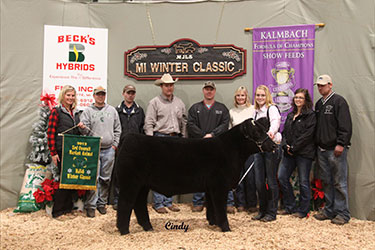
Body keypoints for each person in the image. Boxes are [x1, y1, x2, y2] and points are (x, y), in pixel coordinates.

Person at [187, 81, 235, 214]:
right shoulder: (195, 108)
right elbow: (190, 125)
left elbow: (225, 124)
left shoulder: (222, 108)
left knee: (222, 174)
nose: (209, 91)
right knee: (198, 174)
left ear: (214, 91)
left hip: (217, 147)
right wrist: (203, 135)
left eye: (211, 89)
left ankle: (228, 202)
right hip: (199, 146)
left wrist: (212, 135)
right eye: (207, 89)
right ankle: (198, 202)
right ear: (203, 90)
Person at [144, 73, 186, 214]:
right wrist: (151, 142)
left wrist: (184, 138)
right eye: (166, 85)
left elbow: (184, 122)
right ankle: (158, 202)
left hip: (176, 139)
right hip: (160, 138)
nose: (169, 87)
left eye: (171, 85)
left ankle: (169, 201)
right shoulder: (154, 102)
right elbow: (148, 123)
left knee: (173, 171)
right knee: (159, 172)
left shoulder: (179, 102)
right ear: (161, 86)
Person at [313, 74, 352, 225]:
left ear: (330, 85)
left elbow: (345, 125)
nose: (320, 87)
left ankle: (343, 213)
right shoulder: (319, 104)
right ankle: (329, 210)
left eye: (323, 85)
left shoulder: (339, 101)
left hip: (335, 149)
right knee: (326, 181)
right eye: (318, 85)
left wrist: (341, 143)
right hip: (322, 149)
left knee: (339, 182)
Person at [79, 86, 121, 218]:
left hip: (109, 149)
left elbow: (118, 129)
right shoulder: (87, 111)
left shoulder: (112, 110)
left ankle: (101, 203)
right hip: (93, 149)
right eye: (98, 94)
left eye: (102, 94)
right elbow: (85, 131)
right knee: (93, 178)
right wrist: (82, 128)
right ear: (94, 96)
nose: (100, 96)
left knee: (105, 179)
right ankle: (90, 205)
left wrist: (115, 145)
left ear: (105, 95)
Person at [278, 88, 316, 218]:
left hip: (304, 153)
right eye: (296, 97)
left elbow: (308, 135)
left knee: (303, 182)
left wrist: (294, 147)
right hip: (289, 152)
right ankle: (290, 207)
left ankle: (303, 210)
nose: (298, 100)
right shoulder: (290, 115)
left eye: (300, 98)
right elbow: (284, 133)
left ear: (306, 100)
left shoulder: (310, 115)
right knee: (282, 177)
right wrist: (285, 145)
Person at [47, 85, 81, 218]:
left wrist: (80, 127)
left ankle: (67, 209)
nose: (71, 98)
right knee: (64, 179)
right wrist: (53, 152)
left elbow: (76, 132)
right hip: (61, 150)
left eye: (73, 95)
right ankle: (57, 211)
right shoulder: (56, 111)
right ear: (63, 96)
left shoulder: (75, 113)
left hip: (72, 150)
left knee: (70, 179)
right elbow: (50, 133)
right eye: (68, 95)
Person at [112, 84, 145, 210]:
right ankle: (117, 199)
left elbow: (142, 127)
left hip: (136, 147)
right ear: (123, 94)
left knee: (136, 175)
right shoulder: (117, 110)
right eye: (128, 93)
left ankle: (134, 199)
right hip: (121, 146)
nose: (130, 95)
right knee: (119, 174)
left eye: (132, 93)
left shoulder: (139, 110)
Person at [252, 85, 282, 222]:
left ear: (267, 96)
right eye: (258, 95)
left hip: (271, 148)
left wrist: (271, 132)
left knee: (271, 180)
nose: (260, 98)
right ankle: (262, 210)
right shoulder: (255, 111)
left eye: (262, 95)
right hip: (259, 149)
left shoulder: (272, 108)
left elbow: (275, 123)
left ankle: (272, 212)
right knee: (259, 181)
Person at [229, 86, 257, 213]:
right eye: (238, 96)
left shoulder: (253, 110)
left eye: (243, 95)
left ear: (247, 97)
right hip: (236, 149)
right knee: (238, 176)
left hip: (249, 148)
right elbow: (230, 131)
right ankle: (240, 203)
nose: (240, 98)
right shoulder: (232, 111)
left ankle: (251, 204)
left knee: (250, 177)